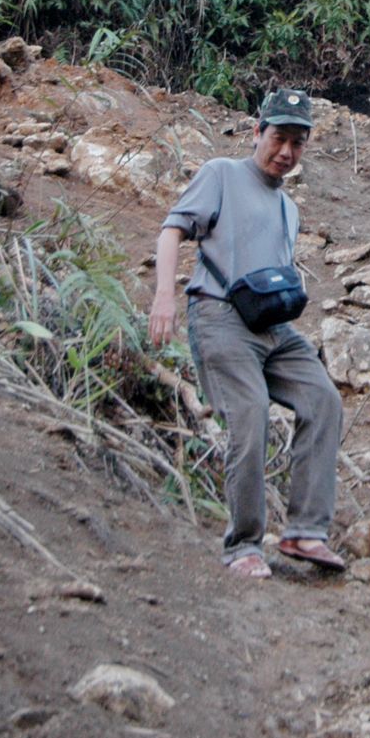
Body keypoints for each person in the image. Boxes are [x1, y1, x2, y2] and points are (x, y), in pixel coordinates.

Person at [148, 89, 346, 579]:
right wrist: (164, 296)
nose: (286, 151)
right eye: (279, 138)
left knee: (324, 400)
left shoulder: (289, 208)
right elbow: (172, 230)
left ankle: (305, 531)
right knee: (250, 413)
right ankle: (243, 546)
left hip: (272, 326)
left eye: (297, 142)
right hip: (219, 317)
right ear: (257, 132)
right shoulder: (222, 173)